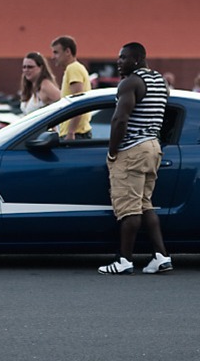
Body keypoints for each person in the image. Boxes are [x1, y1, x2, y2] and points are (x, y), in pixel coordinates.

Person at [98, 42, 172, 275]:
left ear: (137, 59)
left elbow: (120, 120)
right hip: (153, 147)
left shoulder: (130, 82)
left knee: (128, 208)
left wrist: (112, 151)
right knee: (144, 204)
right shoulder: (160, 81)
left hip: (133, 150)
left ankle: (124, 260)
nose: (118, 61)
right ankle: (161, 256)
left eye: (123, 57)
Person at [51, 35, 93, 139]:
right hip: (76, 133)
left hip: (76, 134)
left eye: (56, 52)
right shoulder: (73, 69)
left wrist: (71, 132)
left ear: (68, 51)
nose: (53, 57)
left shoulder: (73, 69)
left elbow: (78, 102)